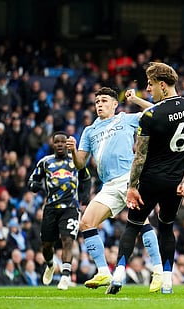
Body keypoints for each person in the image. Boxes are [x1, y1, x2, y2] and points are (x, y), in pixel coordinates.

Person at [106, 62, 184, 294]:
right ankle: (168, 281)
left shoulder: (150, 116)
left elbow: (139, 156)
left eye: (150, 85)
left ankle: (118, 274)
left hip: (150, 180)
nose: (148, 89)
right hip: (175, 183)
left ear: (162, 84)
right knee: (167, 228)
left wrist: (132, 186)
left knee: (133, 226)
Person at [66, 86, 165, 292]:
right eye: (97, 102)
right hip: (109, 185)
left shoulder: (125, 119)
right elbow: (80, 164)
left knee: (141, 221)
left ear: (114, 104)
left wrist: (136, 99)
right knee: (86, 223)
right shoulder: (89, 131)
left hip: (130, 178)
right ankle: (103, 271)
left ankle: (158, 271)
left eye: (103, 101)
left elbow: (157, 112)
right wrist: (74, 151)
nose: (99, 105)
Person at [28, 131, 91, 290]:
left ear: (68, 144)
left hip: (71, 207)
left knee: (67, 240)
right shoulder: (45, 162)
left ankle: (65, 276)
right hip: (50, 208)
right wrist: (34, 186)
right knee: (47, 245)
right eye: (57, 142)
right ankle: (50, 265)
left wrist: (84, 196)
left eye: (63, 142)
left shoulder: (76, 160)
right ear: (53, 144)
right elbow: (33, 179)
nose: (60, 145)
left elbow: (86, 178)